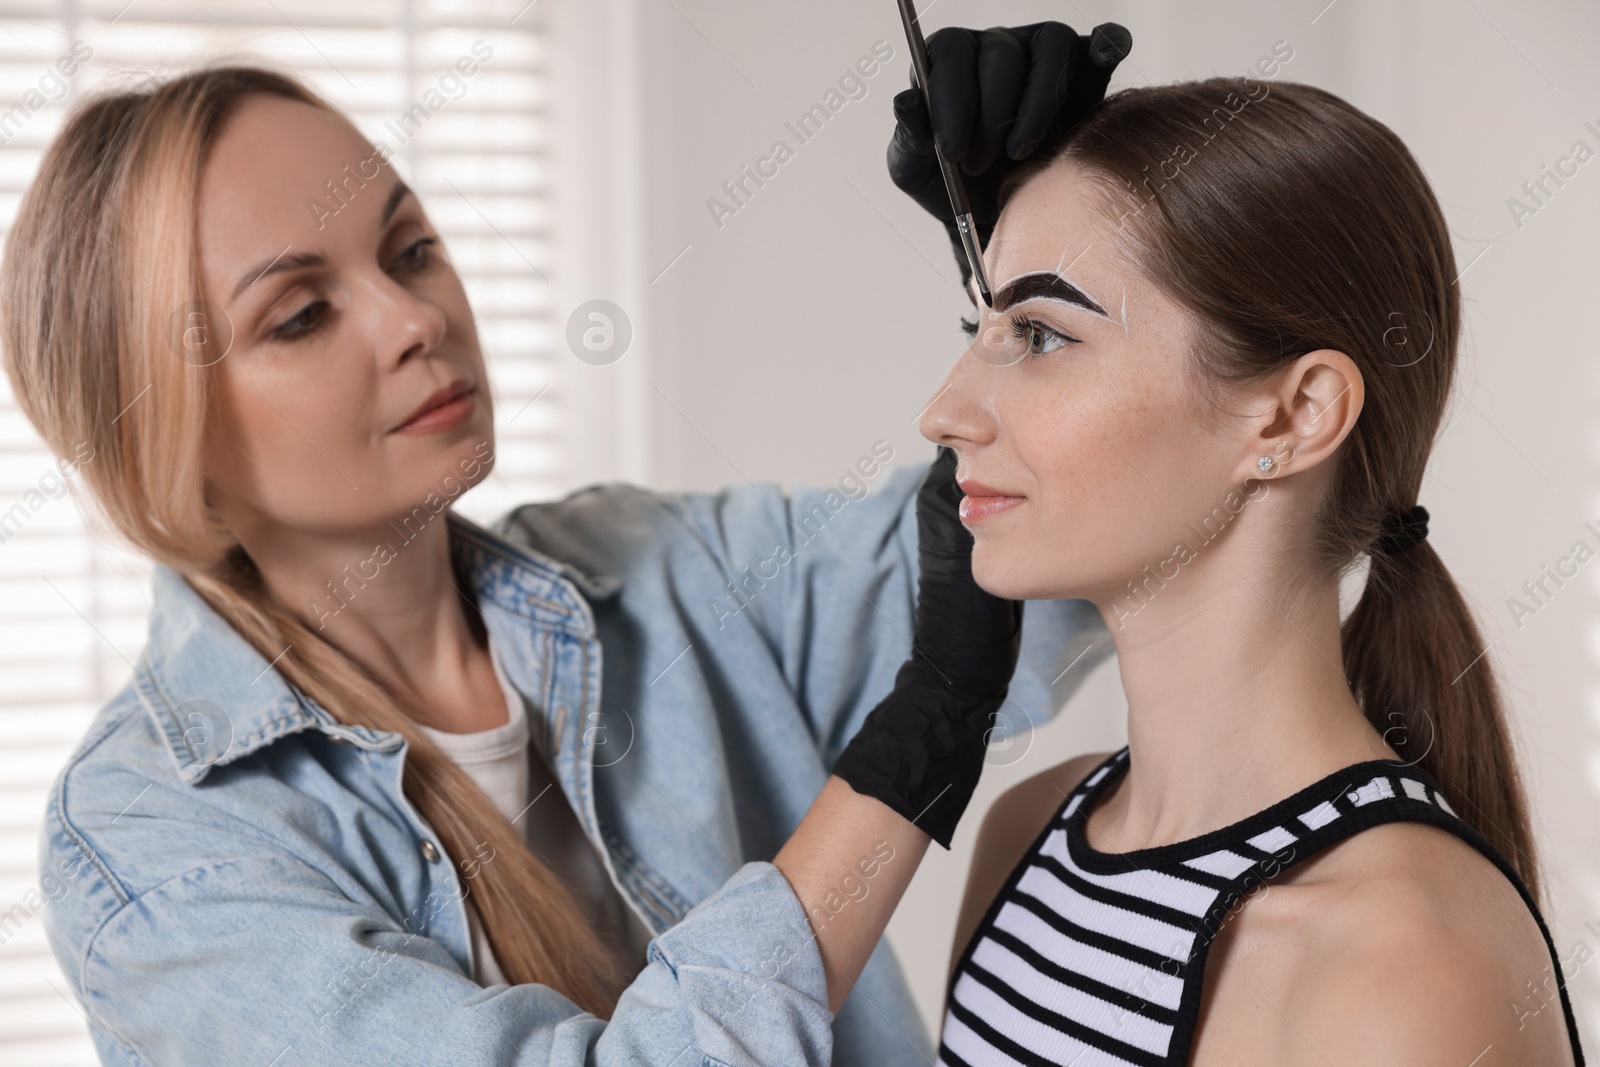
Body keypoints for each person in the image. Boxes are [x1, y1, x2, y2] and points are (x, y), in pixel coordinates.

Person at [5, 23, 1132, 1067]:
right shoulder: (153, 847)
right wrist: (911, 752)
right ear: (161, 433)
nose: (416, 321)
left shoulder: (663, 571)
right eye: (299, 314)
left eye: (408, 249)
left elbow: (1087, 542)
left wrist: (1052, 249)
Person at [916, 77, 1587, 1065]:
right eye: (976, 330)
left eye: (1043, 333)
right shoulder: (1025, 835)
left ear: (1292, 414)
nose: (943, 410)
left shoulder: (1400, 968)